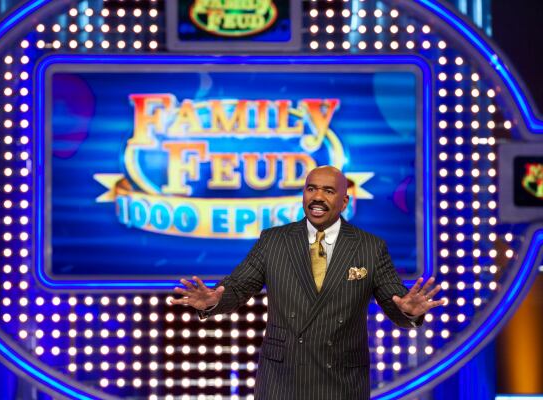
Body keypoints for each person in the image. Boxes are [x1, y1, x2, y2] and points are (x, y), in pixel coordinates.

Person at [171, 166, 444, 400]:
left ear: (344, 202)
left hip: (342, 384)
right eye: (311, 189)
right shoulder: (274, 241)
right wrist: (214, 301)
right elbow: (239, 286)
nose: (317, 197)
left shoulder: (370, 247)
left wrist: (409, 310)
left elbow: (394, 300)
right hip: (282, 382)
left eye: (328, 191)